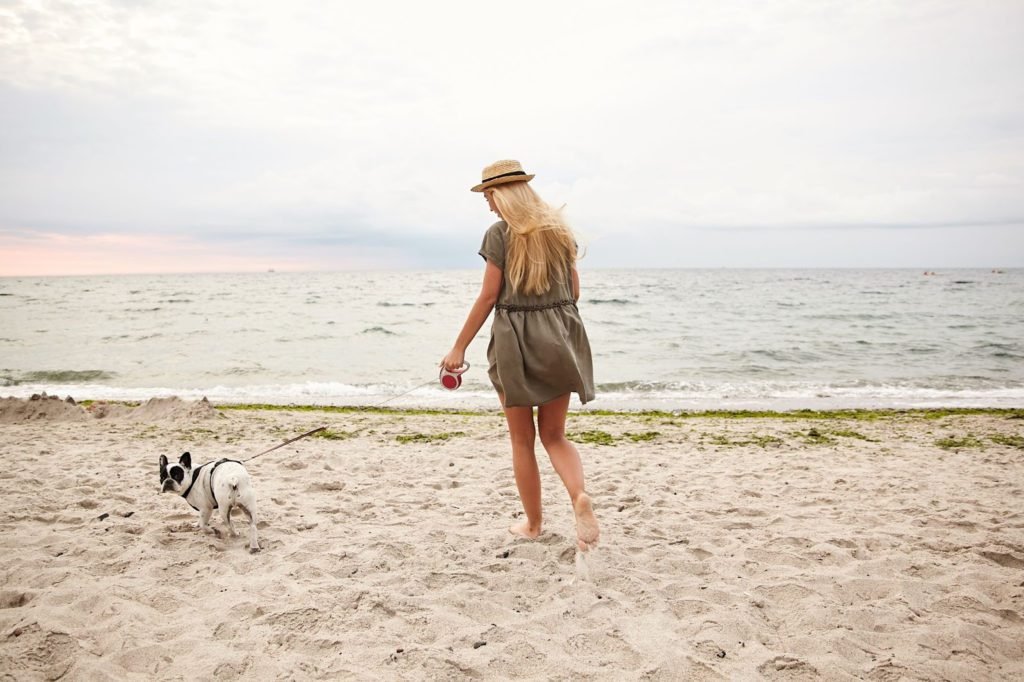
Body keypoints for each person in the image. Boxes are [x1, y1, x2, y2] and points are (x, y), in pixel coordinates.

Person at [440, 160, 600, 551]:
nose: (489, 206)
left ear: (502, 195)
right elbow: (574, 292)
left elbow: (489, 296)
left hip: (515, 340)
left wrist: (458, 346)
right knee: (555, 435)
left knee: (521, 439)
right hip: (561, 336)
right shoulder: (560, 233)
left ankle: (533, 523)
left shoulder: (499, 234)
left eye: (490, 197)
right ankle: (578, 494)